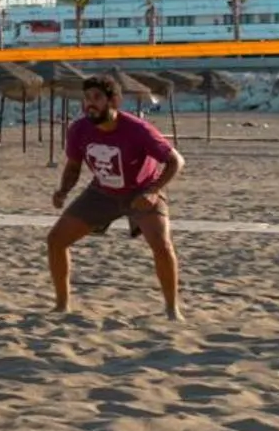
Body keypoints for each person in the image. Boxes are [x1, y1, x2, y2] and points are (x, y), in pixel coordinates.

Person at [48, 75, 184, 318]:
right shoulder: (79, 129)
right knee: (55, 240)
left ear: (114, 101)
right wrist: (63, 190)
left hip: (141, 191)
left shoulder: (138, 129)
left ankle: (172, 309)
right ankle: (62, 305)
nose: (90, 103)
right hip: (102, 192)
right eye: (87, 98)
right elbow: (73, 166)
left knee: (162, 245)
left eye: (97, 98)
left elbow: (176, 161)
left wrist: (152, 191)